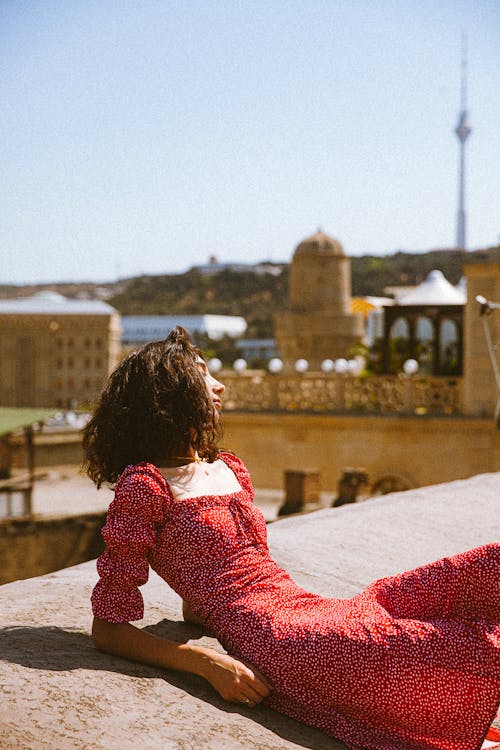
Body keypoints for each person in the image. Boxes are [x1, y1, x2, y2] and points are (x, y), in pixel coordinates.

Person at [83, 327, 500, 750]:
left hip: (310, 608)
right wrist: (204, 662)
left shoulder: (229, 469)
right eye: (202, 375)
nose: (218, 385)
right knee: (427, 642)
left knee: (479, 569)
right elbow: (109, 630)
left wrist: (204, 602)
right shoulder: (144, 486)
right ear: (169, 393)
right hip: (275, 636)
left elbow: (203, 595)